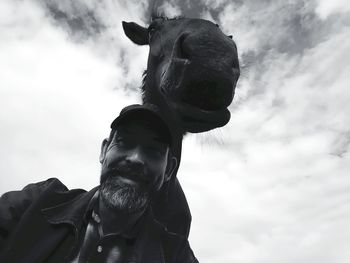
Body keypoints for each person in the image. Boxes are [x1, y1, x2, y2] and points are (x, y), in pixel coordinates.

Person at [0, 104, 198, 263]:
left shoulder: (176, 255)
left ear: (169, 170)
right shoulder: (36, 202)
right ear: (104, 151)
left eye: (153, 150)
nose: (136, 158)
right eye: (125, 142)